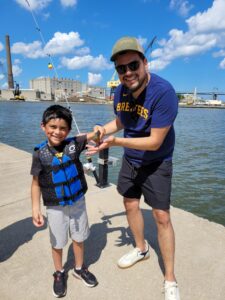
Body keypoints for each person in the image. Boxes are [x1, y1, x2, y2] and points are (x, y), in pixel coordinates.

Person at [88, 36, 180, 300]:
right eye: (121, 68)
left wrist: (114, 141)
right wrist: (101, 130)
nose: (128, 72)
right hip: (131, 158)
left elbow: (154, 141)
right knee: (130, 204)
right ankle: (141, 249)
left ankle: (170, 278)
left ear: (145, 63)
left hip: (157, 161)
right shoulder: (120, 91)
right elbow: (120, 120)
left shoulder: (164, 92)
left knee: (162, 217)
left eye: (133, 65)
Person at [31, 105, 98, 298]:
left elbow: (94, 134)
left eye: (62, 128)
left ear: (68, 130)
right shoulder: (39, 154)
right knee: (58, 241)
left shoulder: (74, 144)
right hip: (55, 207)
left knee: (79, 237)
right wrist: (35, 208)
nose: (57, 132)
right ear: (43, 126)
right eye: (52, 126)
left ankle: (78, 268)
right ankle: (59, 272)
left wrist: (99, 129)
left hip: (77, 203)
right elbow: (35, 184)